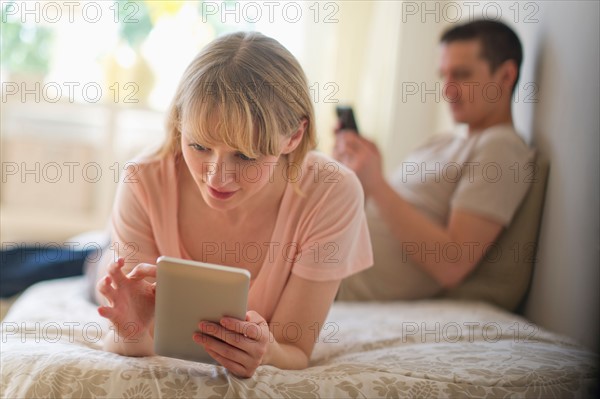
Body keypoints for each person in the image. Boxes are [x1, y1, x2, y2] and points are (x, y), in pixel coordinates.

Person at [93, 32, 373, 378]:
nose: (216, 177)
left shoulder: (333, 193)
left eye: (245, 155)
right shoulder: (142, 179)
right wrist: (129, 331)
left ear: (294, 136)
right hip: (115, 243)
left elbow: (295, 349)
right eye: (198, 146)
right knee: (100, 271)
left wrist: (268, 352)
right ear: (181, 123)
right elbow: (138, 339)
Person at [333, 20, 533, 301]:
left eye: (462, 75)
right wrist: (355, 171)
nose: (448, 91)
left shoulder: (501, 148)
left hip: (335, 279)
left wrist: (377, 184)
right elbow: (378, 212)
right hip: (324, 252)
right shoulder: (445, 141)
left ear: (506, 76)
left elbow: (452, 264)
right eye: (444, 76)